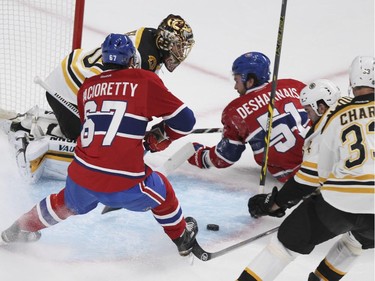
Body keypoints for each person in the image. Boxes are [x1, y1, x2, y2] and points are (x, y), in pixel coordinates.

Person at [0, 33, 199, 258]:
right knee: (163, 192)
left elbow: (101, 132)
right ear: (131, 59)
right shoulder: (144, 80)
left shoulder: (87, 87)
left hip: (81, 177)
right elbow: (186, 122)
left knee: (63, 203)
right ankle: (182, 238)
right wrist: (160, 136)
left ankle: (19, 228)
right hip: (125, 182)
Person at [3, 14, 195, 183]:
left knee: (108, 133)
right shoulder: (145, 59)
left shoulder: (148, 36)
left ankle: (38, 124)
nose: (180, 53)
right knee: (101, 148)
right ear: (165, 42)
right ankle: (27, 136)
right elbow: (131, 99)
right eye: (178, 47)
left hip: (68, 82)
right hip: (71, 91)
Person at [237, 56, 374, 281]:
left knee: (284, 245)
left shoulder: (336, 115)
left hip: (342, 203)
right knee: (356, 243)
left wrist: (274, 205)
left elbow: (309, 177)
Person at [187, 52, 310, 183]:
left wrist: (201, 157)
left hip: (296, 178)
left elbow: (225, 157)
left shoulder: (235, 112)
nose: (235, 87)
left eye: (237, 81)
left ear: (250, 81)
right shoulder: (292, 85)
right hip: (324, 161)